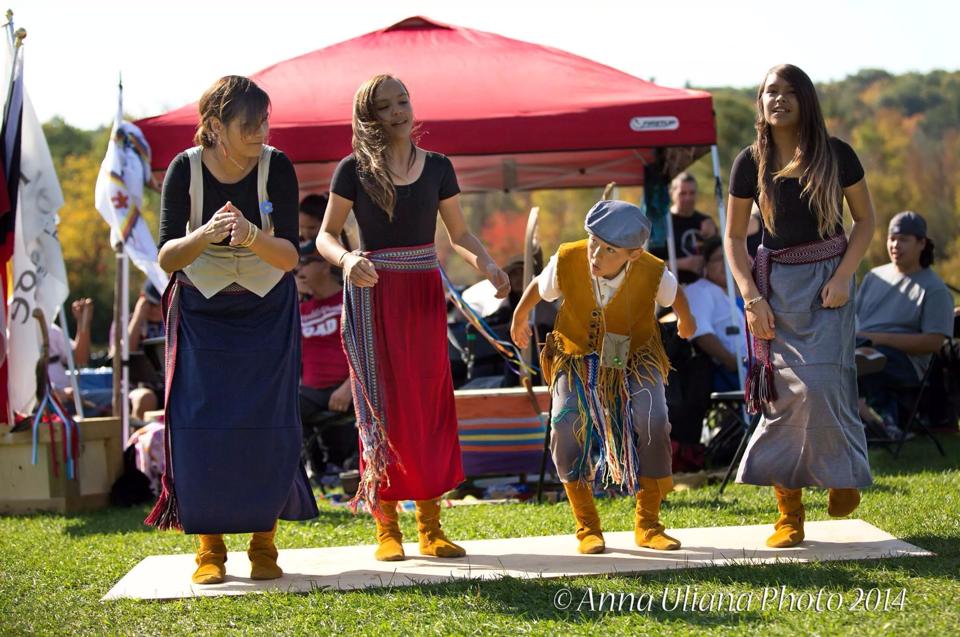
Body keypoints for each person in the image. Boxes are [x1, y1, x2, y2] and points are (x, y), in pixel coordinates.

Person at [316, 74, 509, 562]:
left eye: (403, 100)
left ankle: (430, 526)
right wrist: (346, 260)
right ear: (370, 115)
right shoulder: (352, 170)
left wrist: (488, 266)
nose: (399, 110)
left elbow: (460, 233)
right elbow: (325, 236)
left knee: (429, 405)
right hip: (374, 292)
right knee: (382, 406)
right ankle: (387, 528)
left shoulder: (439, 167)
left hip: (424, 294)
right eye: (386, 105)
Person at [148, 75, 318, 585]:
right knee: (201, 426)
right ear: (216, 126)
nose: (261, 131)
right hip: (202, 310)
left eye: (265, 120)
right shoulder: (185, 168)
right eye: (250, 124)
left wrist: (249, 234)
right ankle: (210, 550)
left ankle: (264, 544)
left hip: (266, 308)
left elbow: (289, 256)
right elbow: (166, 258)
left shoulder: (277, 165)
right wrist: (203, 234)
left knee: (269, 423)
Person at [725, 64, 876, 548]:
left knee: (826, 385)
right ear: (760, 102)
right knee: (783, 396)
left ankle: (841, 473)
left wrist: (843, 276)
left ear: (805, 100)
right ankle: (789, 515)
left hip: (829, 281)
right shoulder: (748, 162)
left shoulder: (837, 154)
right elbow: (733, 237)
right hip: (773, 288)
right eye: (771, 91)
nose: (778, 99)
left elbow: (866, 221)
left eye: (789, 92)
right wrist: (751, 298)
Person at [511, 199, 697, 554]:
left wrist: (687, 322)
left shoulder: (653, 270)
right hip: (575, 352)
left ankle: (649, 524)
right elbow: (540, 286)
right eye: (593, 242)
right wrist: (520, 316)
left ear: (633, 253)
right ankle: (587, 528)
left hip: (636, 353)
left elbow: (678, 298)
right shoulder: (568, 257)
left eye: (609, 250)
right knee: (566, 424)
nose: (595, 254)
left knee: (654, 419)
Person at [856, 211, 954, 436]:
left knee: (870, 357)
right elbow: (854, 320)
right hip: (861, 348)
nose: (895, 245)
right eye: (892, 239)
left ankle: (878, 423)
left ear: (922, 243)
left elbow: (933, 343)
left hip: (906, 365)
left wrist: (874, 339)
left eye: (903, 239)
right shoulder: (874, 277)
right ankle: (862, 421)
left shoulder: (934, 288)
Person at [295, 241, 358, 481]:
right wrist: (295, 298)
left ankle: (359, 465)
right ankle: (312, 470)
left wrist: (348, 388)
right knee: (280, 408)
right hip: (311, 391)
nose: (298, 271)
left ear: (323, 265)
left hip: (350, 387)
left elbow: (368, 351)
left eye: (305, 263)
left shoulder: (349, 299)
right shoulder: (300, 307)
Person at [685, 237, 747, 392]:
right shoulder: (699, 290)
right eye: (720, 258)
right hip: (730, 372)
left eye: (730, 257)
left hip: (754, 366)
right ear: (705, 265)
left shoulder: (735, 294)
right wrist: (731, 362)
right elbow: (700, 334)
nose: (726, 264)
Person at [650, 172, 718, 284]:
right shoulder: (661, 225)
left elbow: (718, 258)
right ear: (672, 194)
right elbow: (650, 265)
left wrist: (712, 237)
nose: (688, 198)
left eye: (692, 193)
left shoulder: (705, 222)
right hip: (671, 290)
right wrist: (681, 264)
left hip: (703, 288)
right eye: (683, 193)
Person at [47, 298, 93, 405]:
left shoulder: (51, 330)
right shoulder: (12, 334)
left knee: (111, 398)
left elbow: (80, 358)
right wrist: (60, 392)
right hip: (47, 404)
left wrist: (83, 324)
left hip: (70, 399)